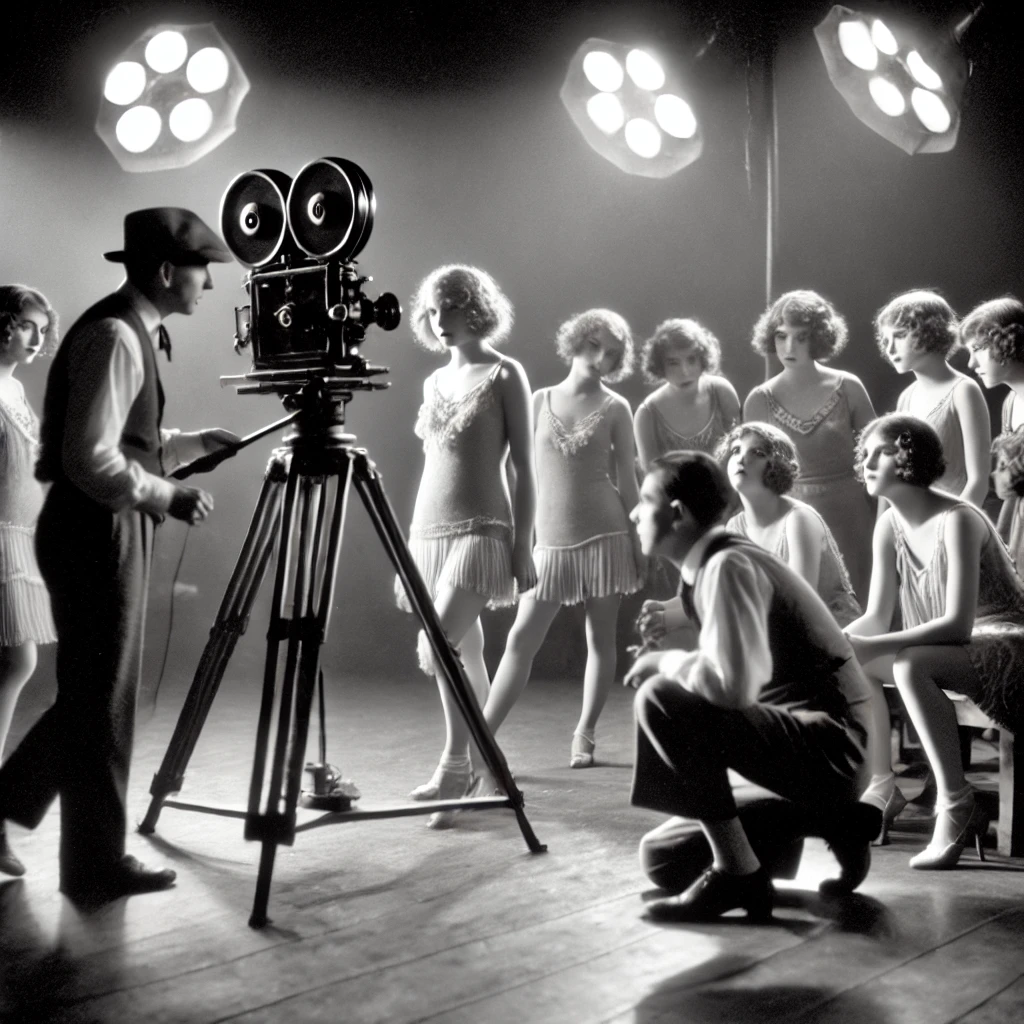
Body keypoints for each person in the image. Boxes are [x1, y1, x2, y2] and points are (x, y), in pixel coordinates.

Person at [0, 209, 239, 900]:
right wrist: (169, 495)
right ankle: (93, 861)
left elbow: (120, 441)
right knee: (103, 699)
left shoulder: (127, 330)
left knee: (93, 697)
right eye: (201, 270)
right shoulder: (115, 335)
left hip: (99, 525)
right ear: (167, 271)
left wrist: (190, 446)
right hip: (96, 529)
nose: (206, 285)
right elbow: (88, 456)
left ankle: (83, 857)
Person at [625, 451, 878, 923]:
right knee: (662, 857)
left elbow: (732, 688)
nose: (635, 513)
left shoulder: (729, 567)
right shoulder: (718, 562)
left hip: (830, 748)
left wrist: (664, 662)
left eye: (645, 500)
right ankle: (836, 819)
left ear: (677, 513)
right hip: (807, 748)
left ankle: (739, 875)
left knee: (660, 697)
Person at [845, 415, 1024, 867]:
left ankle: (956, 803)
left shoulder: (959, 519)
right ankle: (882, 785)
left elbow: (959, 625)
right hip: (955, 646)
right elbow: (875, 617)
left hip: (1007, 639)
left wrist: (875, 644)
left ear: (909, 458)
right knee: (857, 661)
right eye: (864, 451)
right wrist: (839, 641)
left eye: (880, 451)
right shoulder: (888, 525)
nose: (867, 461)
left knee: (909, 663)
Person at [397, 265, 536, 827]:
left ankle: (456, 764)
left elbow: (525, 469)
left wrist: (523, 543)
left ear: (476, 308)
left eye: (450, 306)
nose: (440, 319)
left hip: (485, 526)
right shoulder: (433, 383)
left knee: (441, 646)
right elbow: (436, 466)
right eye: (432, 310)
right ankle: (484, 765)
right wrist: (409, 541)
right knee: (466, 651)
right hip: (429, 529)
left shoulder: (506, 374)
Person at [479, 309, 642, 776]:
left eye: (612, 353)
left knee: (600, 638)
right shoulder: (537, 401)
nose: (601, 358)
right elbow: (516, 475)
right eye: (594, 346)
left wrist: (640, 544)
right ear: (575, 341)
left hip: (606, 536)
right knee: (519, 640)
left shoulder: (616, 408)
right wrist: (519, 539)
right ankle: (483, 735)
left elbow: (628, 482)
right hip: (548, 541)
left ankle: (585, 731)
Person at [744, 290, 877, 602]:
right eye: (781, 336)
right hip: (789, 516)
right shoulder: (759, 399)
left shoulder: (849, 387)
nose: (789, 347)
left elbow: (879, 455)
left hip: (851, 515)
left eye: (801, 337)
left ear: (818, 338)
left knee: (856, 606)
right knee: (800, 609)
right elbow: (750, 476)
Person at [0, 285, 59, 877]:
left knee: (17, 664)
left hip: (19, 533)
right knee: (16, 663)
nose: (37, 339)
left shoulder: (14, 388)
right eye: (26, 326)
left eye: (42, 329)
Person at [718, 421, 861, 626]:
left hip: (829, 634)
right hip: (772, 630)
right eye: (736, 450)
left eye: (757, 452)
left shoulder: (798, 520)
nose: (741, 458)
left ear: (778, 466)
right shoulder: (734, 527)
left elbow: (800, 606)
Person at [877, 289, 990, 507]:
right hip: (911, 520)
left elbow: (978, 482)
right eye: (885, 340)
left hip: (955, 519)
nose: (890, 349)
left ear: (931, 332)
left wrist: (952, 529)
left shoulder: (963, 391)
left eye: (900, 336)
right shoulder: (906, 398)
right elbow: (895, 475)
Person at [961, 296, 1024, 568]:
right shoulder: (1011, 403)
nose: (971, 365)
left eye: (978, 349)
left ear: (1005, 341)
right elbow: (1007, 492)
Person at [633, 318, 740, 474]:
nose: (685, 371)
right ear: (659, 365)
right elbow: (654, 482)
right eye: (673, 363)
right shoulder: (647, 414)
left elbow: (741, 456)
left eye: (691, 359)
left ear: (703, 358)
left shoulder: (721, 392)